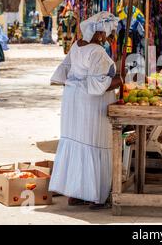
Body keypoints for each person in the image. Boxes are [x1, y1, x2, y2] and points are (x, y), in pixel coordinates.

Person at [49, 12, 123, 210]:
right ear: (100, 32)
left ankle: (75, 194)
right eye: (109, 31)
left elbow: (65, 71)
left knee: (77, 141)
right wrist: (120, 79)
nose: (111, 35)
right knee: (93, 142)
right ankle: (95, 196)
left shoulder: (77, 45)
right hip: (90, 104)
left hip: (73, 100)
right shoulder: (97, 51)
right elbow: (97, 85)